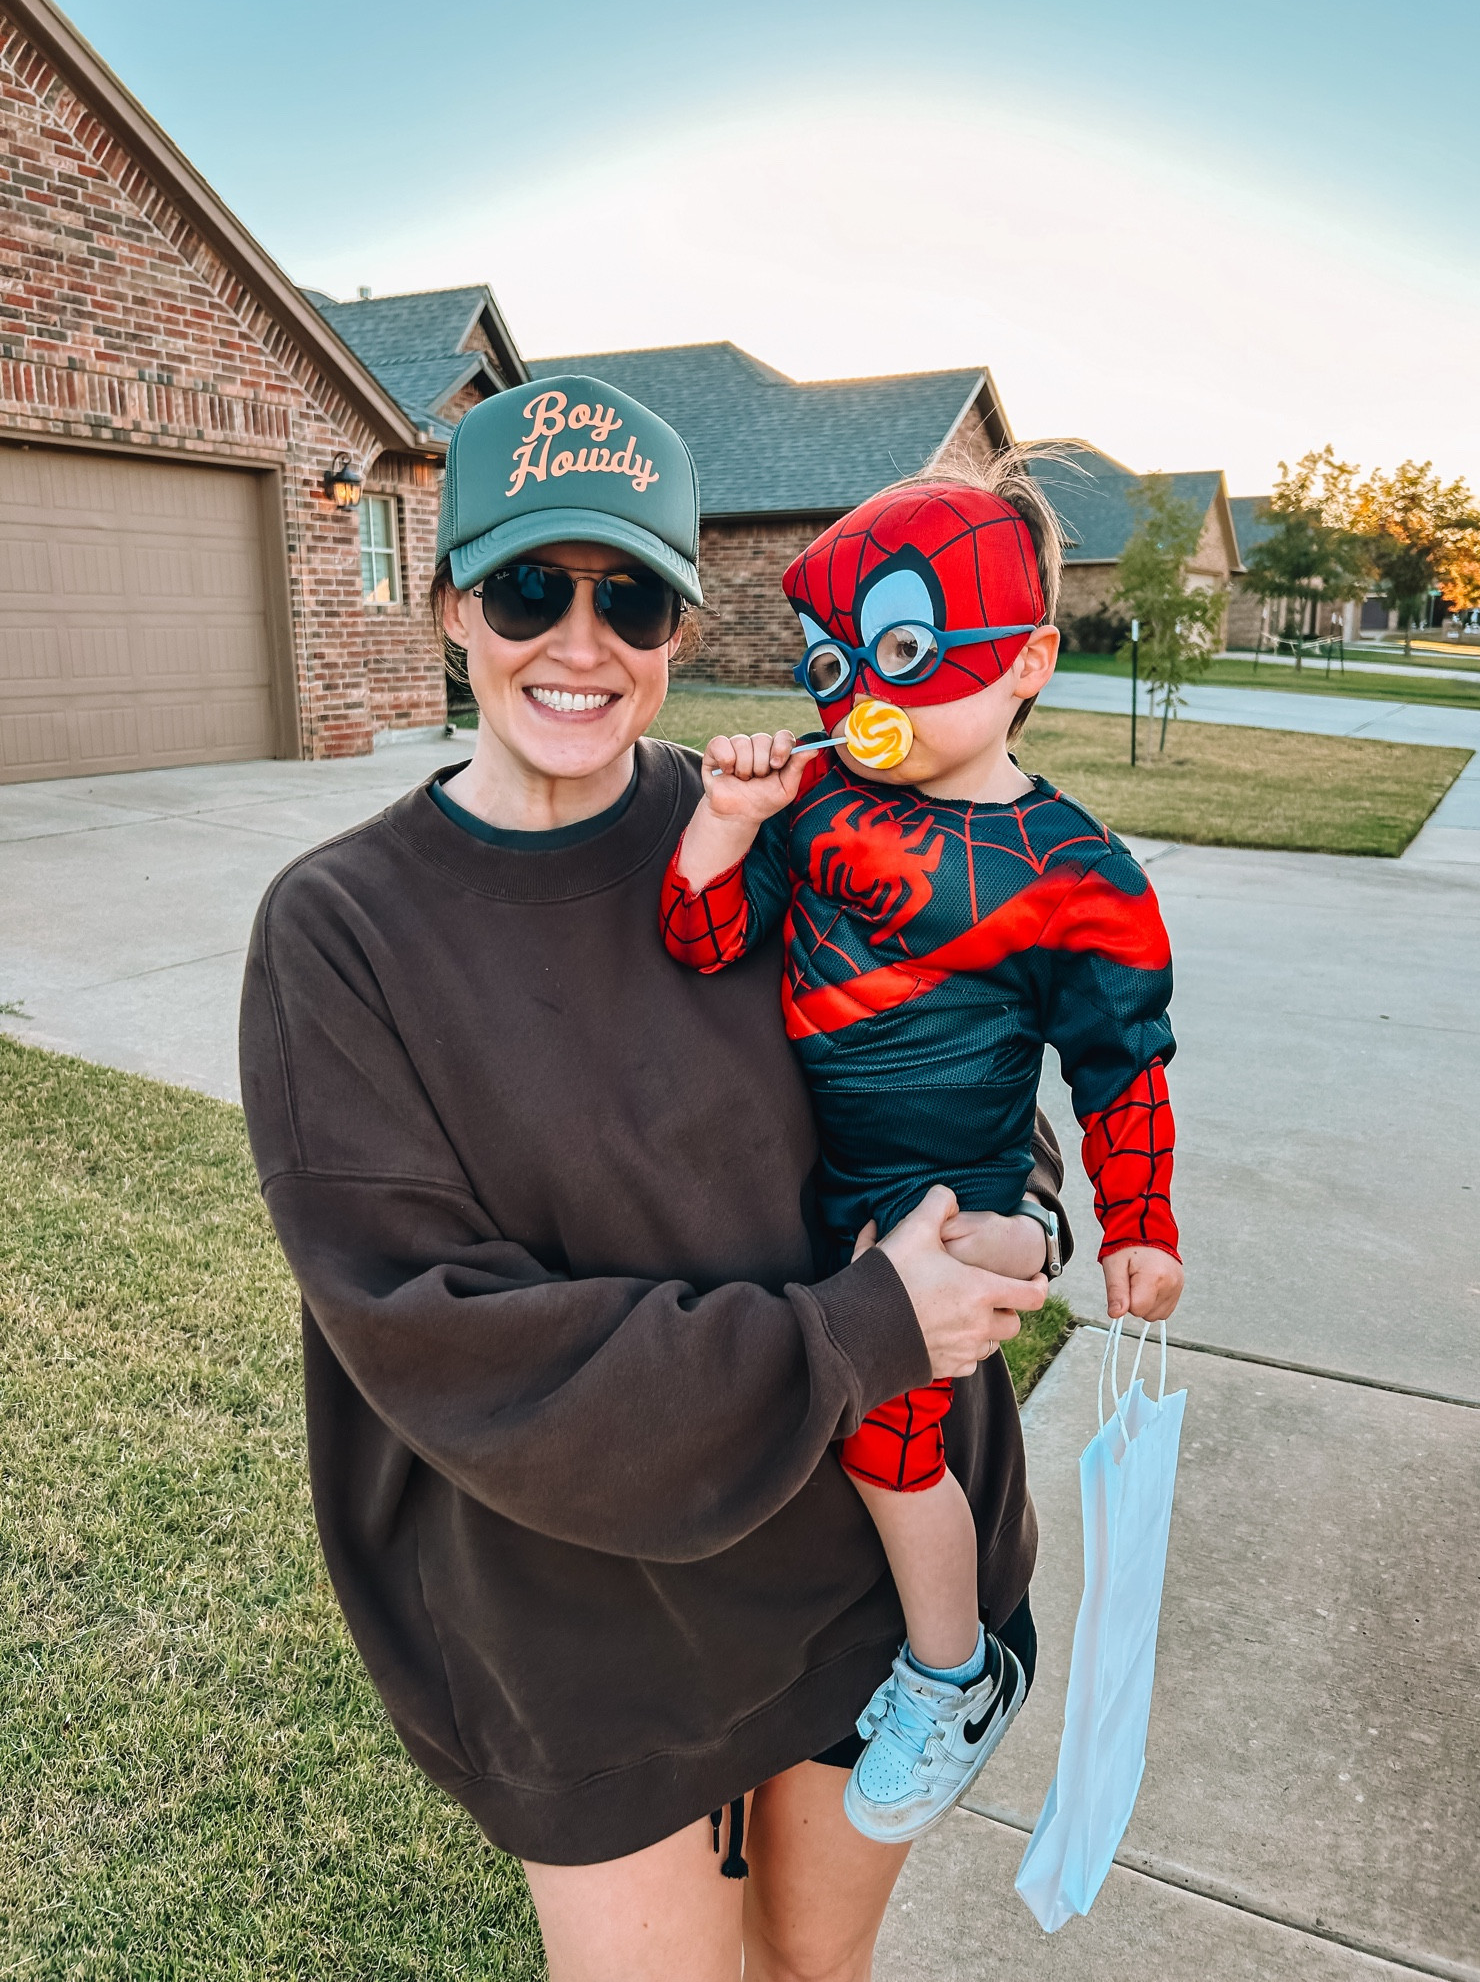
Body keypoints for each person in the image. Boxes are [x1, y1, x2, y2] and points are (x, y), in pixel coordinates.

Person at [240, 378, 1072, 1982]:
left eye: (631, 596)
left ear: (682, 627)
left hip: (863, 1575)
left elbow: (965, 1076)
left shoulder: (781, 827)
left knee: (816, 1974)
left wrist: (1004, 1219)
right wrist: (856, 1330)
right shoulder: (340, 928)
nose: (580, 640)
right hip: (589, 1628)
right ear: (447, 612)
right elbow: (440, 1333)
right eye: (527, 588)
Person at [659, 458, 1186, 1842]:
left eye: (904, 656)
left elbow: (1122, 1066)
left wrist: (1138, 1226)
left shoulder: (1080, 870)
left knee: (890, 1452)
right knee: (827, 1430)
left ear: (1026, 662)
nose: (861, 702)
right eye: (836, 667)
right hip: (817, 1201)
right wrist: (728, 819)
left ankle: (954, 1670)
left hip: (943, 1209)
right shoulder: (821, 812)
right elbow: (702, 936)